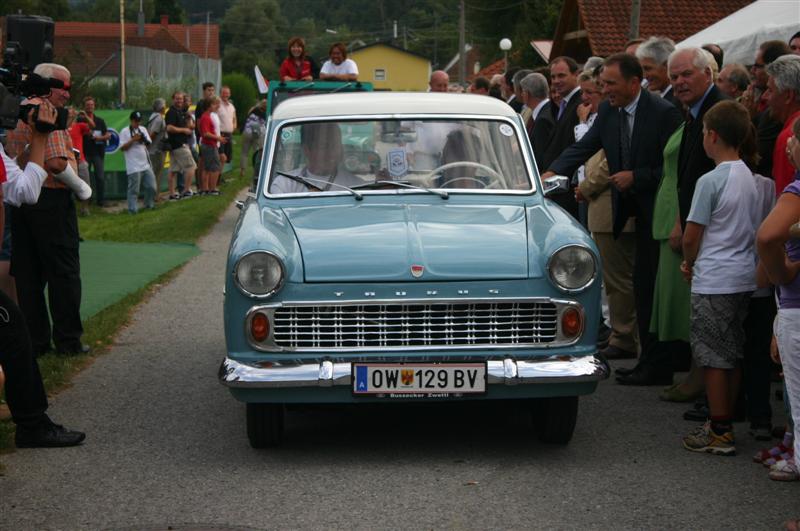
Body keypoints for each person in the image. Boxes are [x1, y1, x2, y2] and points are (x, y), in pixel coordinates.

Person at [542, 53, 683, 386]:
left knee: (650, 288)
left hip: (656, 212)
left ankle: (656, 362)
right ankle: (648, 360)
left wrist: (637, 177)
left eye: (610, 84)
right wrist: (549, 173)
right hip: (626, 209)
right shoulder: (608, 110)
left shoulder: (663, 113)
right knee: (638, 285)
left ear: (634, 83)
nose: (604, 91)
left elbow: (673, 169)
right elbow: (586, 147)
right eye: (602, 84)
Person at [0, 97, 86, 448]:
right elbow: (27, 191)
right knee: (15, 331)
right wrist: (38, 138)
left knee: (16, 330)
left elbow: (17, 181)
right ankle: (32, 425)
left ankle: (32, 423)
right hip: (48, 207)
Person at [680, 100, 761, 456]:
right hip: (744, 274)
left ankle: (719, 428)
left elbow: (691, 233)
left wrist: (688, 262)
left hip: (714, 276)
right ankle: (725, 416)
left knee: (712, 356)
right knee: (732, 350)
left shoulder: (710, 180)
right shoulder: (751, 176)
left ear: (712, 136)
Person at [3, 63, 88, 357]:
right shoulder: (46, 113)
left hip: (21, 204)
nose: (67, 94)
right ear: (49, 86)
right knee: (63, 273)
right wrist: (80, 186)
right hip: (50, 198)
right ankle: (68, 341)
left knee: (28, 276)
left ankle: (36, 341)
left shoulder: (16, 109)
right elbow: (55, 162)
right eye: (64, 88)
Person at [575, 70, 639, 361]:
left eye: (594, 91)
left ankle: (624, 334)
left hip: (608, 206)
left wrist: (585, 188)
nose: (586, 98)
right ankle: (619, 331)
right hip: (600, 207)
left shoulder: (613, 119)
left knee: (618, 278)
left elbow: (604, 164)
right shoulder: (604, 119)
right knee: (611, 279)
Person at [757, 117, 800, 488]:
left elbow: (769, 235)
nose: (788, 146)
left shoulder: (797, 191)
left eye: (795, 140)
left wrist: (781, 273)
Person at [539, 56, 584, 218]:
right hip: (557, 186)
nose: (556, 81)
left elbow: (576, 146)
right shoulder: (563, 104)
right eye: (553, 77)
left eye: (561, 76)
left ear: (576, 75)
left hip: (569, 190)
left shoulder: (580, 103)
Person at [269, 122, 361, 194]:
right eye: (324, 146)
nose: (332, 152)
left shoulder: (357, 186)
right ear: (306, 150)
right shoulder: (284, 184)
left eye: (336, 145)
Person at [765, 54, 800, 195]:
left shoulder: (790, 139)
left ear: (788, 96)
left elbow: (786, 198)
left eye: (770, 90)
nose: (764, 96)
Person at [118, 111, 156, 213]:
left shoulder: (142, 129)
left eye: (139, 121)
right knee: (134, 190)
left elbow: (148, 143)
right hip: (133, 166)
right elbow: (122, 148)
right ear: (131, 120)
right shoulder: (125, 131)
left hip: (145, 164)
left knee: (152, 187)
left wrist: (142, 139)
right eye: (135, 121)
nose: (137, 123)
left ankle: (149, 205)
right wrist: (133, 140)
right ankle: (132, 210)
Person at [165, 91, 197, 200]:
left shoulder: (181, 111)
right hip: (178, 144)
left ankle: (172, 194)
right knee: (191, 167)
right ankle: (186, 191)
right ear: (173, 99)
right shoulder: (172, 112)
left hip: (177, 145)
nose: (179, 101)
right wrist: (184, 130)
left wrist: (188, 118)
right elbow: (169, 128)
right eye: (177, 98)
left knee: (173, 170)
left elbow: (190, 126)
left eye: (181, 99)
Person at [81, 95, 109, 207]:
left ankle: (100, 201)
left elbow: (108, 135)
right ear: (84, 107)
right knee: (85, 179)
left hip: (98, 153)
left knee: (100, 177)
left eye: (91, 105)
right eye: (88, 105)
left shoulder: (100, 121)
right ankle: (87, 201)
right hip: (85, 153)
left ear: (94, 106)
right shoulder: (80, 120)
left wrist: (99, 138)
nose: (90, 107)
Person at [636, 36, 679, 106]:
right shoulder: (666, 99)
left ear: (667, 65)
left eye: (648, 68)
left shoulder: (676, 102)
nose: (644, 76)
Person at [198, 96, 226, 195]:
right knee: (215, 167)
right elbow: (205, 133)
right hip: (209, 145)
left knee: (207, 167)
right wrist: (218, 138)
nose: (215, 106)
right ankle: (212, 189)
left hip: (207, 144)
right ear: (209, 106)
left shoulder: (208, 116)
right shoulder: (206, 117)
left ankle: (205, 189)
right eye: (214, 104)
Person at [68, 108, 91, 216]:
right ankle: (70, 211)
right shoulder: (62, 126)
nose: (72, 113)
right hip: (67, 162)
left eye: (73, 112)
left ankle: (84, 209)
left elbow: (92, 126)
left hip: (80, 161)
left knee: (85, 185)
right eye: (70, 112)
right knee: (67, 188)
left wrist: (85, 115)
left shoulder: (79, 125)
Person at [147, 98, 168, 201]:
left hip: (153, 149)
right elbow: (153, 134)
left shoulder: (152, 117)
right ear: (161, 107)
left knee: (155, 173)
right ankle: (155, 196)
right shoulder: (159, 118)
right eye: (164, 105)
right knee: (156, 173)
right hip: (156, 150)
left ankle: (156, 195)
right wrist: (148, 146)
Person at [240, 100, 267, 176]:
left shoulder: (252, 110)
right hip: (256, 133)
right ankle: (257, 169)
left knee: (244, 152)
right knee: (256, 153)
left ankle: (242, 170)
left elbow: (247, 117)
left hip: (247, 131)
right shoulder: (265, 114)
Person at [217, 86, 236, 171]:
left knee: (226, 158)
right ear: (220, 93)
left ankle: (219, 177)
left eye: (227, 93)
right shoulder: (217, 105)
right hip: (220, 134)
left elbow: (234, 118)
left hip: (229, 134)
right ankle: (215, 178)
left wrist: (234, 126)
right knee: (221, 156)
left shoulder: (231, 106)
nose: (226, 95)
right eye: (224, 93)